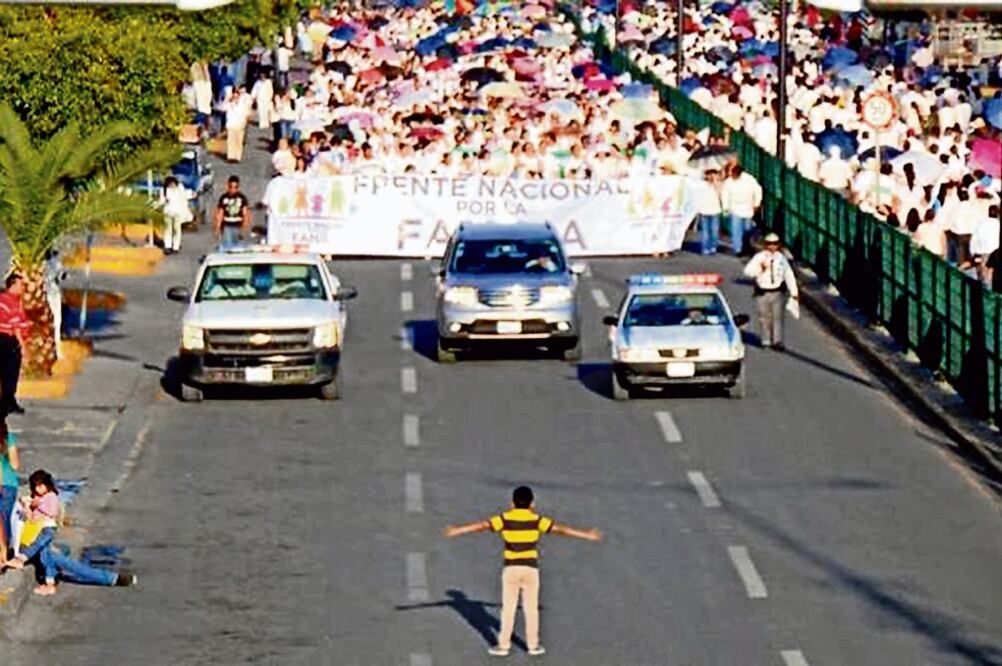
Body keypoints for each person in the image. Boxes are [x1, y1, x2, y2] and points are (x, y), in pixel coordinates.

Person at [444, 485, 602, 658]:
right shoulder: (536, 520)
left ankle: (503, 646)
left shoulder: (505, 518)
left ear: (512, 503)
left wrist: (457, 530)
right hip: (530, 569)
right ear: (532, 503)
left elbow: (483, 525)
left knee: (508, 608)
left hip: (511, 568)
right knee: (531, 608)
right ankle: (533, 646)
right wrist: (587, 535)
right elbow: (560, 530)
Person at [743, 232, 799, 351]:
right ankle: (766, 339)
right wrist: (760, 269)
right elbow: (747, 271)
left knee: (777, 317)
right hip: (763, 292)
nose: (772, 246)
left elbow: (788, 275)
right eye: (769, 244)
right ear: (765, 245)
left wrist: (794, 292)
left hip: (777, 291)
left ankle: (777, 341)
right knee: (764, 317)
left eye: (775, 244)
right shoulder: (759, 257)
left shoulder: (781, 258)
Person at [0, 274, 30, 415]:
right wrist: (22, 346)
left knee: (6, 372)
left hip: (4, 339)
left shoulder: (5, 299)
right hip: (8, 340)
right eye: (21, 285)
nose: (23, 288)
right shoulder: (10, 301)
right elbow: (15, 326)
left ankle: (8, 401)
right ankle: (7, 403)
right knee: (10, 373)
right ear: (12, 285)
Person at [722, 164, 763, 256]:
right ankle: (738, 249)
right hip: (735, 208)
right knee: (736, 230)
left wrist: (756, 204)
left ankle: (746, 247)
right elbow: (725, 195)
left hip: (748, 208)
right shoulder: (728, 182)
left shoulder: (750, 180)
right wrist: (726, 208)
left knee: (747, 230)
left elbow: (757, 191)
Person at [0, 416, 19, 564]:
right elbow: (15, 465)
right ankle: (5, 556)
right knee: (5, 519)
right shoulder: (9, 437)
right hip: (9, 484)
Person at [214, 176, 252, 247]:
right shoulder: (224, 197)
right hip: (227, 226)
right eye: (230, 186)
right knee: (228, 247)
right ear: (227, 186)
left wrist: (244, 228)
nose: (233, 189)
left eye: (235, 187)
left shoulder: (242, 198)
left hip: (238, 226)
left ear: (238, 187)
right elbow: (220, 213)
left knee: (238, 247)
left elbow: (245, 214)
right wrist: (217, 227)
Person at [160, 176, 193, 255]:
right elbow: (162, 201)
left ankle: (176, 246)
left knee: (177, 229)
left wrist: (191, 195)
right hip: (168, 212)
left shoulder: (180, 188)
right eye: (170, 184)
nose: (172, 185)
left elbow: (185, 196)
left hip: (178, 212)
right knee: (168, 229)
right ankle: (168, 246)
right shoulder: (164, 190)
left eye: (173, 183)